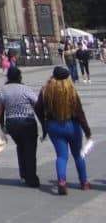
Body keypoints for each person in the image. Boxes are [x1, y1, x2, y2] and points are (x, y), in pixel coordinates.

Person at [37, 66, 92, 195]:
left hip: (54, 126)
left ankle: (62, 182)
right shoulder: (71, 90)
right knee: (78, 155)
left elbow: (38, 108)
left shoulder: (46, 90)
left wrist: (44, 125)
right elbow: (79, 113)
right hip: (72, 125)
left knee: (61, 156)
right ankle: (84, 182)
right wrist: (87, 130)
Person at [0, 67, 41, 188]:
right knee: (29, 149)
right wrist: (43, 122)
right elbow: (37, 104)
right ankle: (31, 178)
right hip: (27, 122)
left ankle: (23, 175)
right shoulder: (25, 89)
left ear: (8, 77)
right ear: (19, 76)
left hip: (12, 124)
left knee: (20, 146)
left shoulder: (2, 91)